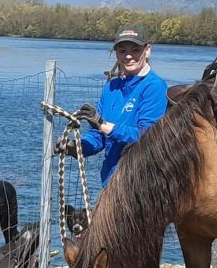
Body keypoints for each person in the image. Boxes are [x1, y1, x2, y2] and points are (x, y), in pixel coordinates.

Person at [60, 25, 169, 186]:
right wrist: (77, 148)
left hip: (141, 183)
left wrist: (104, 125)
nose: (129, 56)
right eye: (122, 51)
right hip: (111, 182)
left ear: (147, 50)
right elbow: (99, 137)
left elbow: (148, 138)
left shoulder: (154, 86)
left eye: (135, 50)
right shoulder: (111, 88)